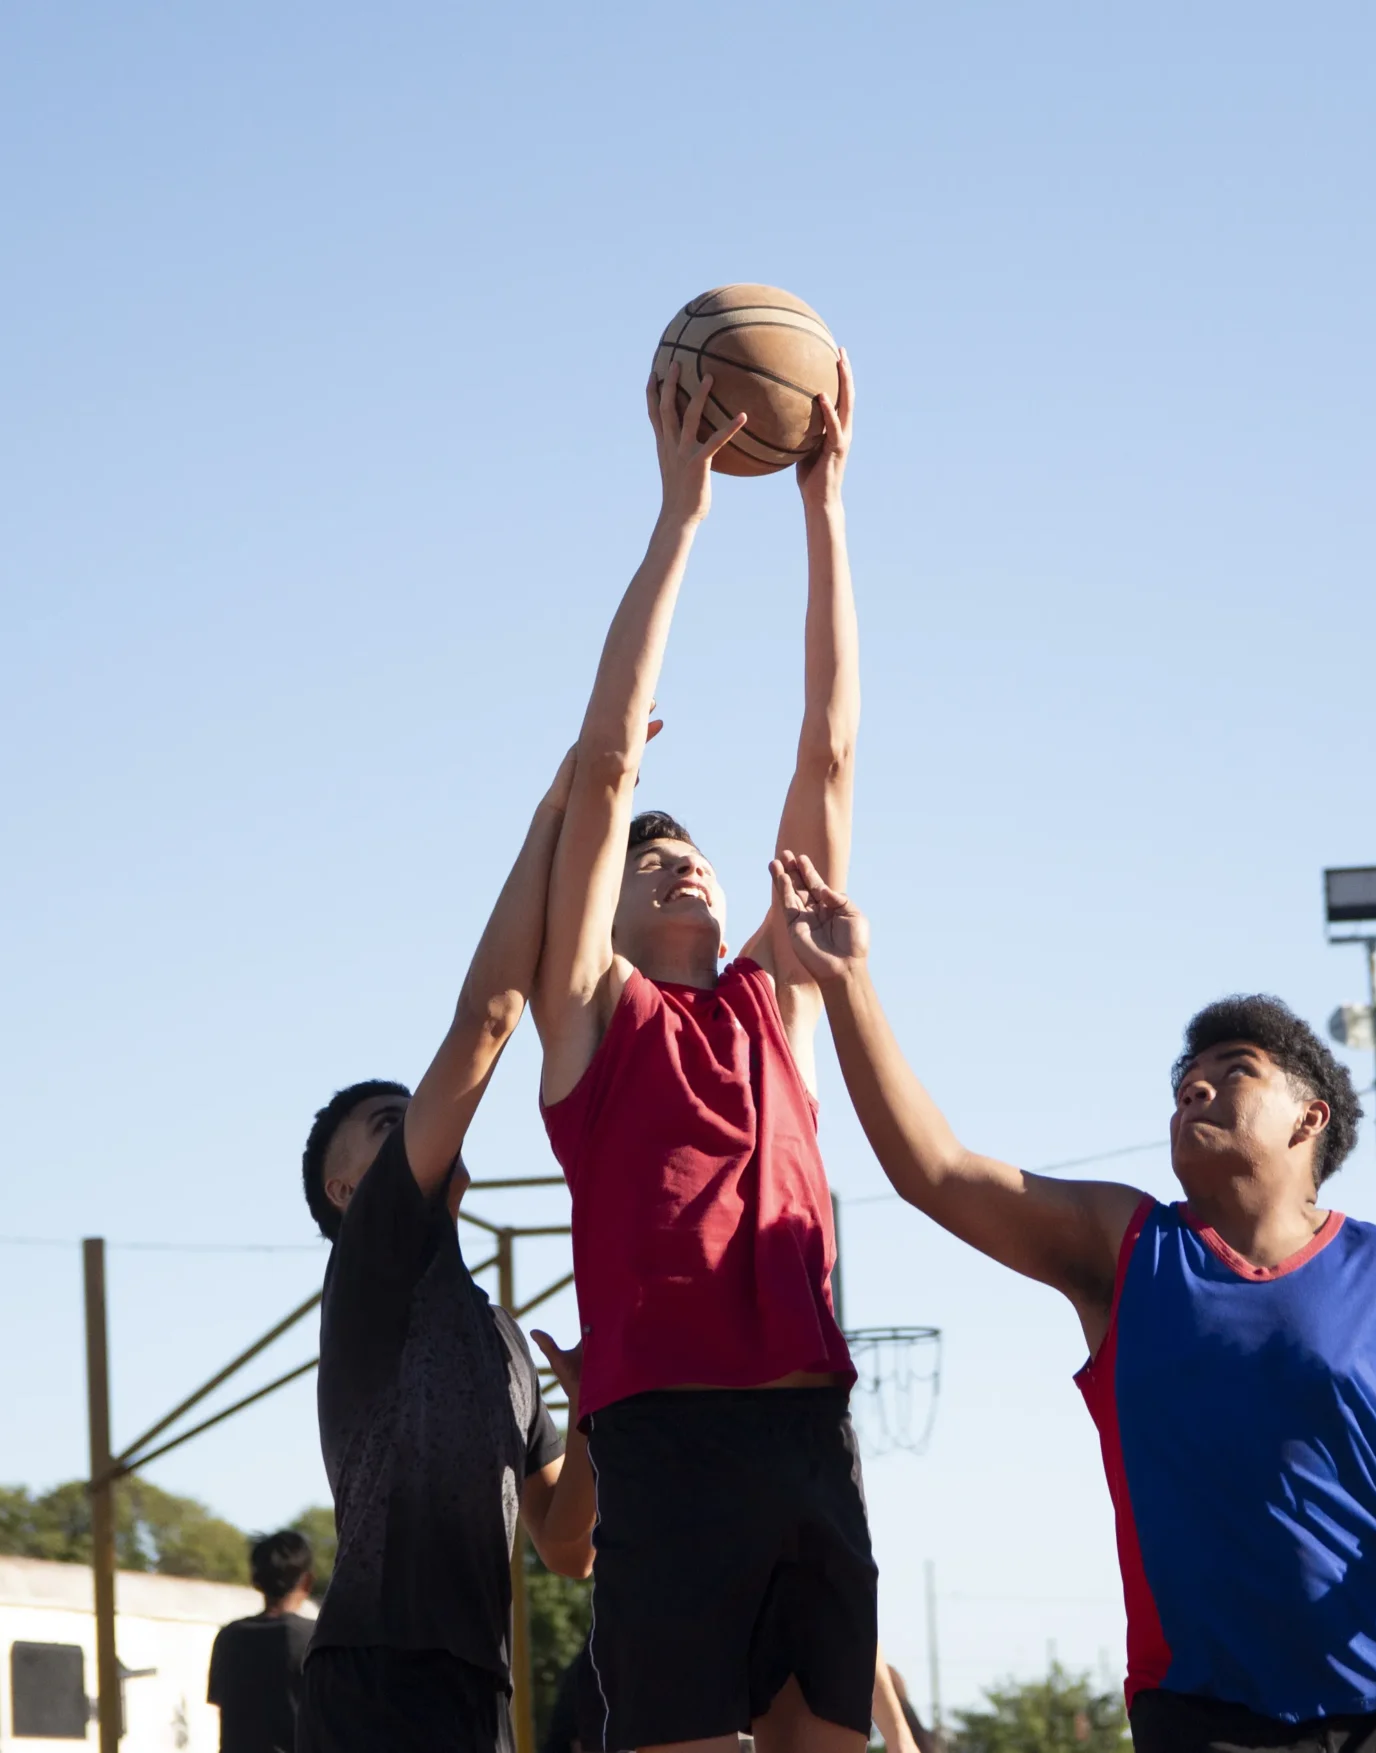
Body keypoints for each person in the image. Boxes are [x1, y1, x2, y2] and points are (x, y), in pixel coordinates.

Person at [766, 855, 1376, 1753]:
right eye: (1183, 1081)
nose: (1193, 1086)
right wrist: (849, 982)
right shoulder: (1125, 1246)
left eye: (1233, 1068)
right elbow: (937, 1170)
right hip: (1205, 1712)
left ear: (1308, 1116)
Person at [533, 353, 870, 1753]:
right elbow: (607, 765)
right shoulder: (593, 1022)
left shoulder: (773, 1006)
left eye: (696, 855)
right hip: (665, 1441)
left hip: (807, 1439)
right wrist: (682, 518)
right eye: (650, 860)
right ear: (604, 896)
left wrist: (825, 503)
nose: (681, 865)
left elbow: (833, 753)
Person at [297, 748, 600, 1753]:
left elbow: (566, 1546)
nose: (415, 1124)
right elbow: (486, 1020)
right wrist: (558, 817)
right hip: (376, 1683)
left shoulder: (502, 1339)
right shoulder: (375, 1263)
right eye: (385, 1124)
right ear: (349, 1191)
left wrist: (598, 1414)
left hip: (479, 1692)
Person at [208, 1529, 316, 1753]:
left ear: (255, 1580)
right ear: (307, 1581)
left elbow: (222, 1706)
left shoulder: (229, 1637)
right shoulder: (315, 1639)